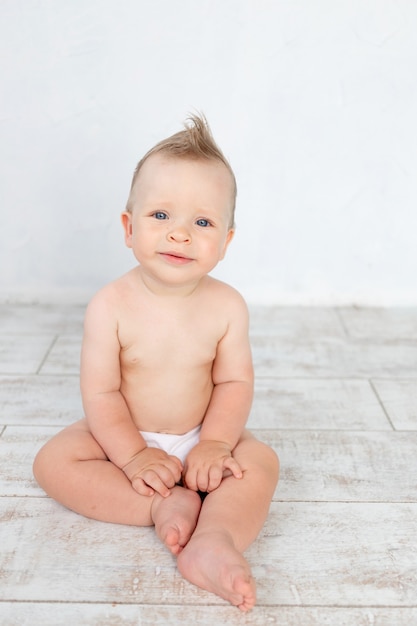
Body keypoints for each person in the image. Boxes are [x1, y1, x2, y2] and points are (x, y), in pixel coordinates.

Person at [33, 114, 279, 612]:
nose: (180, 235)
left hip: (200, 433)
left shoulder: (227, 306)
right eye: (161, 216)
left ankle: (214, 538)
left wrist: (213, 443)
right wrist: (132, 457)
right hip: (123, 436)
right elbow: (101, 394)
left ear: (226, 242)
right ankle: (162, 501)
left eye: (202, 222)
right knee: (53, 462)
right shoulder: (110, 305)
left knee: (261, 462)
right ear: (129, 227)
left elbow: (233, 381)